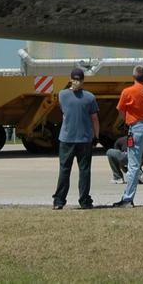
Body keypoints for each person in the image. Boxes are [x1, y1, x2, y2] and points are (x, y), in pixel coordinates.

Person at [112, 65, 143, 207]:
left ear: (133, 76)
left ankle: (128, 199)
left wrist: (120, 123)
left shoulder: (127, 92)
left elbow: (121, 112)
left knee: (133, 165)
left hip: (137, 129)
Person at [52, 67, 99, 210]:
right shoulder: (90, 97)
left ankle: (59, 201)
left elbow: (64, 110)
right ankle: (84, 200)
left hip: (67, 138)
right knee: (84, 170)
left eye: (79, 79)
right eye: (76, 79)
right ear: (72, 79)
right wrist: (96, 136)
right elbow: (94, 119)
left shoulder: (62, 95)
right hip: (84, 139)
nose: (77, 82)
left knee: (65, 170)